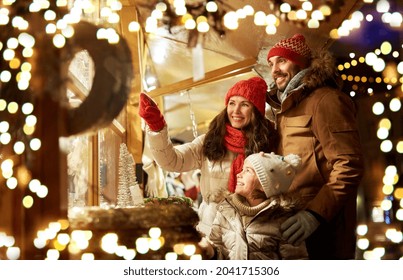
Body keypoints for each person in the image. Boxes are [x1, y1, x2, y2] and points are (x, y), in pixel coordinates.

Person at [265, 34, 364, 259]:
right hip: (292, 227)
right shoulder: (285, 109)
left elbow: (349, 165)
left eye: (282, 61)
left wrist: (314, 214)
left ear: (301, 63)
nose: (274, 70)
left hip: (324, 228)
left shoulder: (326, 100)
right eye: (271, 63)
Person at [139, 77, 278, 237]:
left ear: (256, 110)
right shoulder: (211, 140)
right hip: (212, 228)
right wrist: (156, 127)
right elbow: (173, 161)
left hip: (252, 231)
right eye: (232, 103)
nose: (236, 111)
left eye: (244, 104)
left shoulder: (269, 143)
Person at [204, 152, 308, 260]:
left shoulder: (282, 220)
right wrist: (211, 252)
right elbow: (217, 250)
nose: (238, 174)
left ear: (265, 185)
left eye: (247, 171)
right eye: (242, 169)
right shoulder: (225, 210)